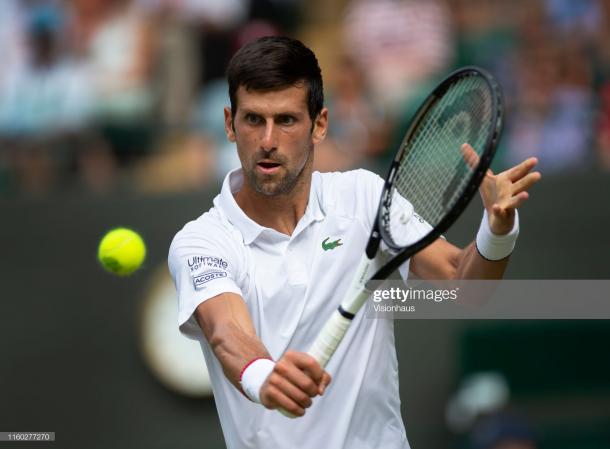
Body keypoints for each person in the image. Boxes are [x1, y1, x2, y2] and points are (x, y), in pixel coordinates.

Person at [168, 36, 541, 449]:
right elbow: (226, 332)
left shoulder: (363, 197)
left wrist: (499, 228)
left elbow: (464, 285)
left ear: (320, 125)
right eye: (254, 120)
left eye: (287, 120)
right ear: (229, 124)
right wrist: (263, 376)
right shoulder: (202, 241)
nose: (268, 140)